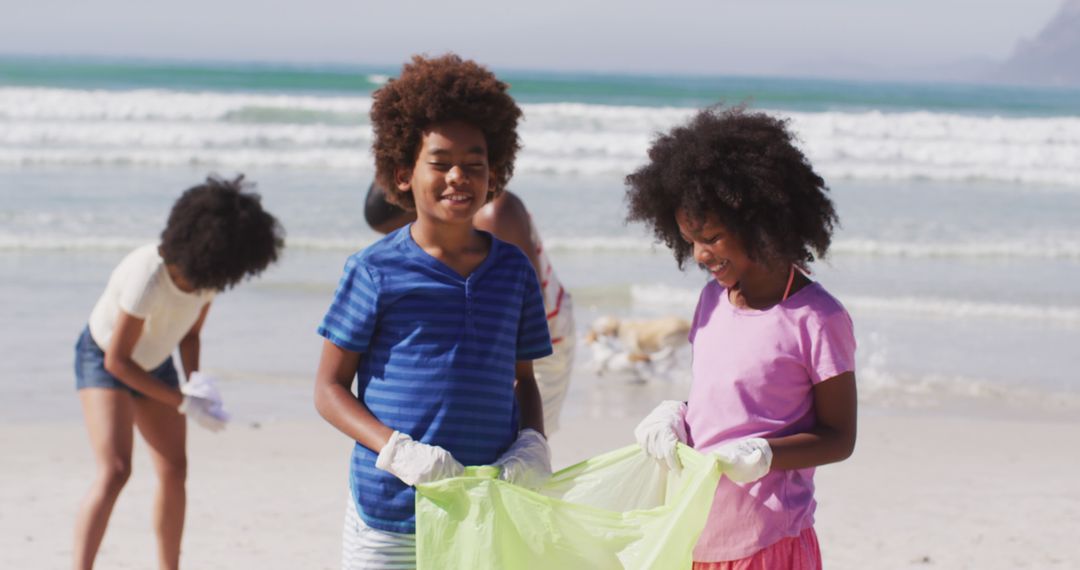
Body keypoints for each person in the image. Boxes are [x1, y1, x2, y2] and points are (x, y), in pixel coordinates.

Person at [313, 54, 554, 569]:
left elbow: (523, 380)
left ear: (495, 173)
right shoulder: (374, 270)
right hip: (390, 513)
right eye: (440, 162)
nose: (458, 177)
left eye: (474, 163)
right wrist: (398, 450)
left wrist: (532, 442)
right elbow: (329, 390)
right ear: (403, 173)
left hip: (482, 511)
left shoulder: (514, 271)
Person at [626, 107, 857, 570]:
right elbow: (726, 402)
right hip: (700, 533)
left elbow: (839, 438)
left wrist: (766, 454)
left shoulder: (817, 319)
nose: (700, 254)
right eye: (689, 239)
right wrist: (678, 416)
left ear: (760, 223)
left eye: (711, 237)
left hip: (769, 540)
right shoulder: (712, 301)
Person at [73, 176, 284, 570]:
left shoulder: (208, 279)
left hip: (154, 364)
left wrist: (195, 382)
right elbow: (117, 362)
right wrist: (183, 401)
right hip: (103, 358)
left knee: (175, 468)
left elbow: (189, 336)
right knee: (117, 470)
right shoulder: (147, 276)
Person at [363, 182, 576, 433]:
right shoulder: (451, 226)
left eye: (401, 230)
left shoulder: (492, 216)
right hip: (494, 344)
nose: (404, 242)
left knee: (519, 448)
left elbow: (524, 314)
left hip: (540, 346)